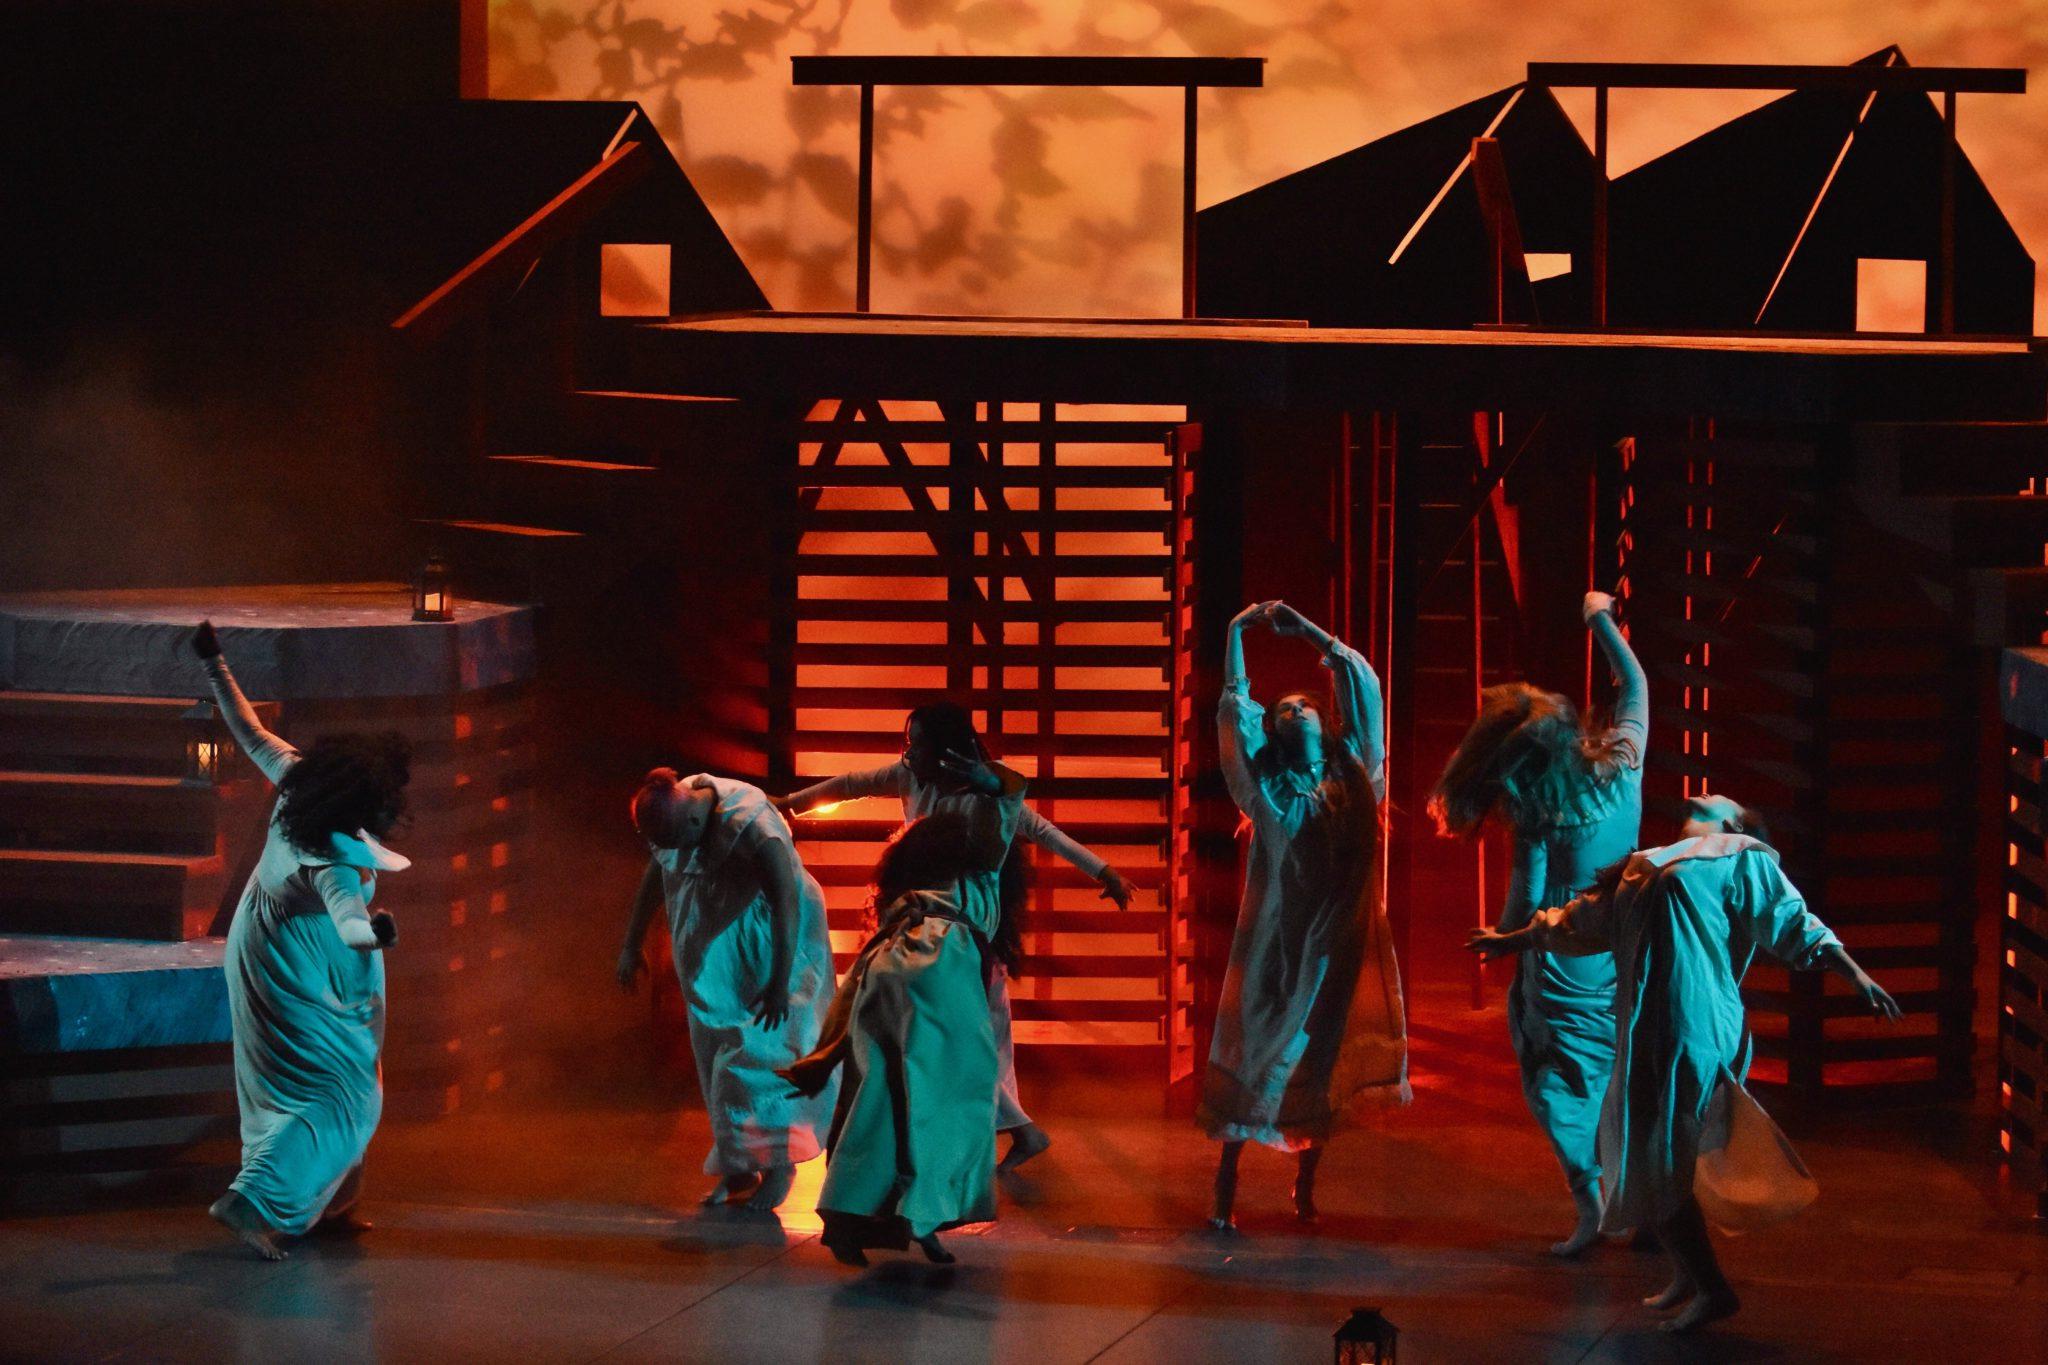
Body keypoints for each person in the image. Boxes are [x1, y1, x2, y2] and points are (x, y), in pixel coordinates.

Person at [1467, 795, 1901, 1333]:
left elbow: (1793, 919)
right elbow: (1579, 921)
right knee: (1650, 1153)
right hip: (1648, 1025)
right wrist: (1512, 938)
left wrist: (1853, 973)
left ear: (1734, 821)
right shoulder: (1645, 866)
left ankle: (1712, 1289)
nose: (1705, 794)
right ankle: (1690, 1276)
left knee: (1656, 1155)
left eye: (1721, 800)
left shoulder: (1736, 854)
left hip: (1691, 1021)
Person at [778, 702, 1132, 1173]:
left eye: (917, 742)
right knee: (979, 1038)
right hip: (927, 926)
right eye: (909, 741)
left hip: (965, 931)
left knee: (973, 1037)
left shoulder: (986, 797)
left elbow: (1038, 826)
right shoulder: (912, 779)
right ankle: (1020, 1132)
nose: (908, 751)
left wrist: (1102, 871)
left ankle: (1001, 1134)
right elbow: (851, 785)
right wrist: (789, 805)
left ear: (944, 749)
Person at [1429, 589, 1645, 1254]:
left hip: (1560, 957)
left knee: (1556, 1083)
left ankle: (1594, 1206)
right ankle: (1633, 1204)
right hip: (1618, 949)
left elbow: (1527, 894)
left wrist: (1502, 939)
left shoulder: (1538, 814)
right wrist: (1597, 617)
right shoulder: (1624, 766)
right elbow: (1634, 681)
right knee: (1617, 1075)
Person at [190, 620, 409, 1261]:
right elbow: (345, 920)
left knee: (338, 1080)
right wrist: (374, 934)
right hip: (296, 966)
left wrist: (214, 664)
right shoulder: (332, 862)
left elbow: (247, 727)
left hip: (276, 946)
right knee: (342, 1091)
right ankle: (250, 1200)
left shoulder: (296, 781)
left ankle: (335, 1206)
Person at [1201, 601, 1408, 1231]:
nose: (1293, 711)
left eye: (1304, 704)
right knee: (1262, 1046)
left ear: (1323, 718)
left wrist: (1311, 632)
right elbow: (1236, 711)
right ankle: (1226, 1185)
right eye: (1284, 707)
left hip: (1337, 939)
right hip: (1278, 939)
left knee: (1317, 1059)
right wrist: (1235, 629)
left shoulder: (1357, 772)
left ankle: (1304, 1186)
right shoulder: (1262, 785)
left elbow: (1363, 684)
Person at [782, 781, 1024, 1266]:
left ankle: (872, 1220)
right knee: (945, 1111)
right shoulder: (974, 884)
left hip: (890, 979)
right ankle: (924, 1217)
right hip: (938, 980)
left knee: (880, 1106)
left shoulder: (910, 895)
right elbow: (1011, 798)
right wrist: (983, 778)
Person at [616, 768, 839, 1210]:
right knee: (714, 1058)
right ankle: (738, 1167)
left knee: (760, 1057)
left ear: (695, 825)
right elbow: (654, 876)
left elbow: (786, 906)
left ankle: (779, 1164)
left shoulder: (754, 829)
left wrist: (779, 983)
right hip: (717, 951)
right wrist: (631, 943)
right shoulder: (678, 817)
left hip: (771, 947)